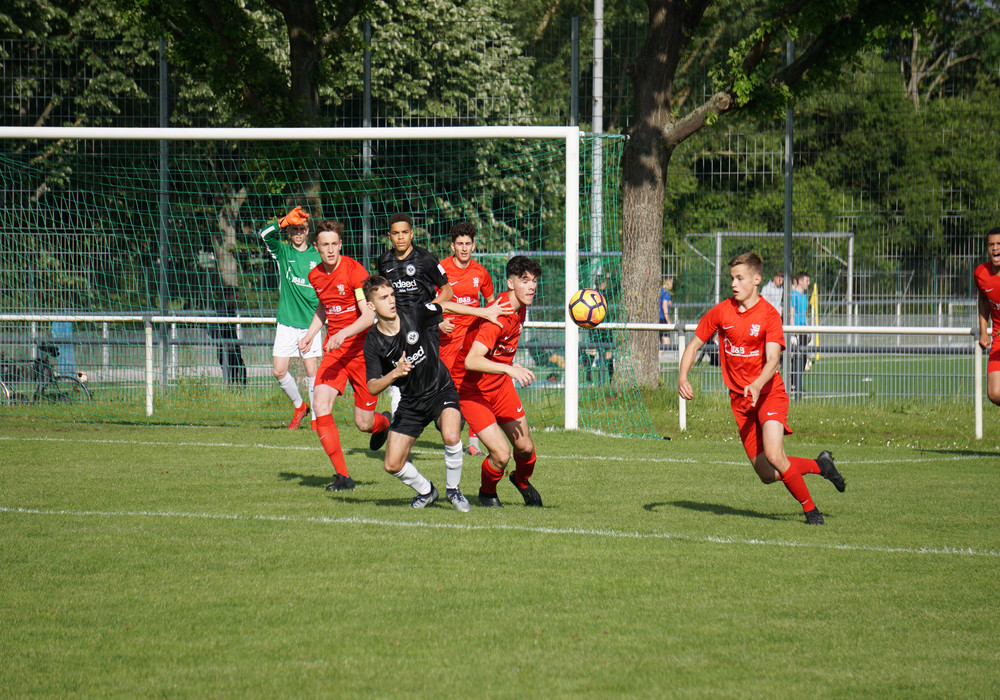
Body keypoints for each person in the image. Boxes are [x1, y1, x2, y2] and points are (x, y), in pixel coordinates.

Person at [677, 252, 845, 525]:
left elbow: (773, 360)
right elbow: (694, 344)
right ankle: (820, 465)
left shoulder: (768, 315)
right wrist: (682, 376)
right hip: (741, 402)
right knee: (767, 474)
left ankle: (811, 511)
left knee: (776, 455)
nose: (733, 283)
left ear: (757, 279)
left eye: (739, 278)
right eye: (731, 278)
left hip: (769, 394)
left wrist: (756, 384)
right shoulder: (722, 311)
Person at [361, 276, 470, 510]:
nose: (391, 301)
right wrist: (395, 373)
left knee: (451, 435)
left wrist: (486, 312)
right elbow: (372, 386)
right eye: (383, 298)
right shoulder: (373, 341)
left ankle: (454, 491)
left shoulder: (412, 313)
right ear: (371, 306)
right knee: (392, 464)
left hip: (440, 388)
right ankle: (427, 491)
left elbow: (446, 305)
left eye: (391, 295)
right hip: (411, 402)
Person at [299, 220, 391, 491]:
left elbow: (368, 315)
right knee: (320, 404)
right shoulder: (315, 276)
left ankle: (385, 423)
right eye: (324, 245)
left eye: (334, 244)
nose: (330, 250)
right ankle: (343, 476)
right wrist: (310, 333)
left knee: (363, 423)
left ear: (341, 244)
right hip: (335, 353)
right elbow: (324, 308)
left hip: (363, 352)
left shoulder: (354, 271)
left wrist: (343, 334)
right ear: (316, 247)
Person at [456, 255, 544, 508]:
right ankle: (486, 493)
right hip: (472, 391)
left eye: (534, 281)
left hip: (499, 386)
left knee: (525, 447)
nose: (531, 287)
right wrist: (509, 370)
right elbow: (472, 361)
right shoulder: (497, 316)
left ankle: (522, 481)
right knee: (501, 454)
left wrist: (508, 366)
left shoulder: (521, 306)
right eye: (524, 281)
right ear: (510, 283)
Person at [376, 212, 454, 418]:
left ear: (412, 234)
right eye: (395, 233)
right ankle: (396, 426)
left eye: (404, 232)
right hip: (398, 329)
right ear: (389, 236)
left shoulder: (425, 258)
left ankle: (446, 417)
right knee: (400, 375)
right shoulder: (384, 261)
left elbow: (447, 291)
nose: (400, 237)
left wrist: (427, 311)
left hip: (425, 329)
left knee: (426, 380)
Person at [258, 205, 322, 430]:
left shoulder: (318, 256)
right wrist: (283, 220)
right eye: (294, 229)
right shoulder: (283, 252)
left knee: (311, 371)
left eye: (302, 229)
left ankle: (316, 418)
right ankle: (300, 406)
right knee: (278, 371)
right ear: (289, 232)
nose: (298, 233)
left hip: (310, 323)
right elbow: (264, 234)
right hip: (286, 322)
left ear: (308, 232)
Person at [438, 222, 496, 455]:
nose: (464, 248)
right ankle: (450, 427)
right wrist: (439, 322)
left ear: (474, 245)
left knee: (477, 385)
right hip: (448, 338)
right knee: (449, 388)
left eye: (468, 244)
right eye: (459, 244)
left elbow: (491, 302)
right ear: (452, 246)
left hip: (473, 337)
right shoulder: (440, 269)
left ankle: (473, 442)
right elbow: (431, 303)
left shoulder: (480, 272)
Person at [974, 226, 1000, 406]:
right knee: (994, 392)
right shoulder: (981, 274)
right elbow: (983, 300)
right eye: (991, 244)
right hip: (998, 339)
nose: (995, 248)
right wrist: (984, 332)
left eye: (999, 244)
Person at [213, 287, 247, 386]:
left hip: (233, 350)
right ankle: (231, 394)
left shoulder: (231, 311)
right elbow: (212, 330)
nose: (237, 300)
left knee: (241, 371)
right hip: (226, 350)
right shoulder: (221, 312)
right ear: (228, 297)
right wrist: (223, 343)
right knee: (231, 376)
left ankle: (239, 393)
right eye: (235, 297)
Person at [788, 271, 810, 396]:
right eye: (807, 281)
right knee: (796, 358)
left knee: (803, 358)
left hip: (803, 330)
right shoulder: (794, 294)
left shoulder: (804, 295)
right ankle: (793, 385)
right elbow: (792, 313)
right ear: (801, 281)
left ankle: (798, 384)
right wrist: (793, 331)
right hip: (796, 329)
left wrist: (807, 328)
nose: (808, 283)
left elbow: (804, 313)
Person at [659, 275, 674, 347]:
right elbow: (664, 306)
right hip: (662, 318)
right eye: (672, 283)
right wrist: (668, 320)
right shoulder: (667, 292)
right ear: (669, 282)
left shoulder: (660, 291)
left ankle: (660, 355)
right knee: (667, 342)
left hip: (658, 318)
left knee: (659, 341)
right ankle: (661, 356)